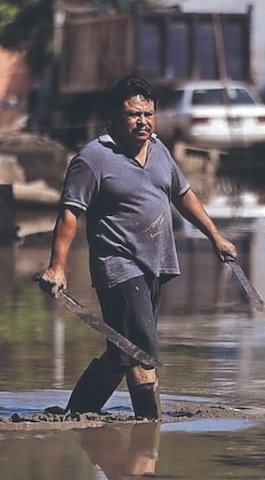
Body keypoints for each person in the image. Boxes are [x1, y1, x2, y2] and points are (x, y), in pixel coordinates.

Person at [38, 74, 236, 420]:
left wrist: (215, 236)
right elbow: (70, 213)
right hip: (119, 268)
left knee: (121, 353)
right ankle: (149, 434)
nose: (142, 121)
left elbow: (183, 195)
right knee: (141, 352)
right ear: (114, 117)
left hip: (155, 265)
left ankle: (75, 415)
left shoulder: (159, 151)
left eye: (148, 114)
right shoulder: (93, 159)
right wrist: (58, 266)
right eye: (133, 114)